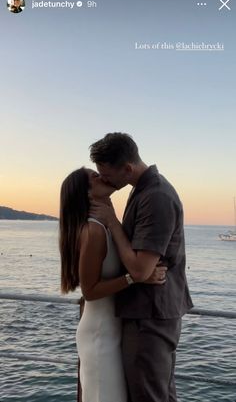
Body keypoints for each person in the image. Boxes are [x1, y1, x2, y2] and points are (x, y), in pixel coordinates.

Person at [89, 132, 194, 402]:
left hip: (150, 315)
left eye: (106, 173)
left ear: (127, 168)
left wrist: (112, 221)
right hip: (149, 311)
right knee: (157, 392)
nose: (104, 179)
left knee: (148, 395)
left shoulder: (155, 196)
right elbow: (139, 268)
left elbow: (139, 271)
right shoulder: (143, 190)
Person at [59, 167, 167, 402]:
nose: (102, 176)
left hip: (112, 329)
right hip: (100, 334)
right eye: (94, 177)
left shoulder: (105, 224)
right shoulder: (93, 230)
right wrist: (135, 277)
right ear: (87, 194)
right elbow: (89, 291)